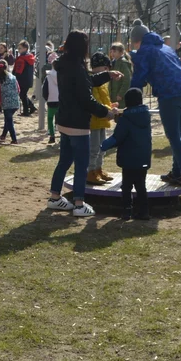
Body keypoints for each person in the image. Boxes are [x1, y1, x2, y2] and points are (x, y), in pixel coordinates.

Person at [47, 31, 120, 218]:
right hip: (78, 123)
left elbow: (87, 81)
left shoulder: (65, 64)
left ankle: (55, 197)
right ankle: (79, 203)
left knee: (64, 160)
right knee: (81, 164)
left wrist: (107, 75)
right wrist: (106, 113)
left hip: (64, 121)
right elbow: (86, 98)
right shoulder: (77, 68)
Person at [130, 31, 181, 187]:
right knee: (177, 135)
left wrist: (131, 94)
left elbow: (140, 76)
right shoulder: (165, 47)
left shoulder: (145, 51)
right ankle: (177, 172)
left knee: (173, 135)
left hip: (170, 92)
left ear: (137, 41)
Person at [101, 88, 151, 220]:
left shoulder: (125, 120)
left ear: (127, 103)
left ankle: (126, 211)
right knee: (141, 186)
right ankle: (144, 211)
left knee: (127, 186)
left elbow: (117, 138)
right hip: (143, 158)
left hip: (129, 160)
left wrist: (103, 146)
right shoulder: (145, 116)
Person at [87, 52, 115, 184]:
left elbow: (104, 99)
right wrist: (109, 110)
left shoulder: (103, 83)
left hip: (102, 119)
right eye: (105, 68)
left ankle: (98, 169)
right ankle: (90, 171)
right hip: (94, 120)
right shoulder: (92, 82)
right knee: (94, 148)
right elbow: (96, 101)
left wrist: (110, 105)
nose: (107, 71)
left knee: (102, 147)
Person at [0, 60, 20, 145]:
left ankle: (14, 139)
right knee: (8, 119)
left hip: (6, 103)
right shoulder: (13, 76)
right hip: (15, 102)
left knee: (9, 121)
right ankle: (3, 135)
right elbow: (18, 89)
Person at [12, 40, 36, 116]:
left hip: (21, 80)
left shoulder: (21, 59)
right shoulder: (30, 57)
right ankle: (31, 107)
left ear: (25, 48)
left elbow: (18, 70)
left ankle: (27, 110)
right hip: (28, 79)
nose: (18, 50)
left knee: (22, 95)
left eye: (20, 48)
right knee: (23, 94)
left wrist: (14, 76)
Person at [107, 42, 133, 109]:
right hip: (113, 94)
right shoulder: (113, 63)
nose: (112, 54)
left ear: (121, 52)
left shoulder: (123, 64)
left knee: (120, 113)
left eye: (114, 51)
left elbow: (127, 80)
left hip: (120, 96)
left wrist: (121, 94)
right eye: (111, 52)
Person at [42, 65, 59, 145]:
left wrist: (46, 98)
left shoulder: (48, 77)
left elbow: (44, 89)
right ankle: (63, 136)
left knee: (50, 118)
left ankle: (52, 135)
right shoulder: (63, 75)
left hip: (51, 100)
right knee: (61, 119)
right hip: (61, 101)